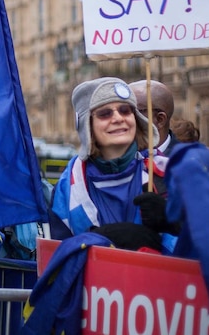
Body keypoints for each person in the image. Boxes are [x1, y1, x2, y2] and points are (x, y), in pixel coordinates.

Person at [49, 77, 172, 252]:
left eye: (125, 110)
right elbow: (58, 258)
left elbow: (199, 253)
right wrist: (101, 239)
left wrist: (173, 222)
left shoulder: (166, 175)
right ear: (87, 125)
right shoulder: (67, 188)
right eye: (105, 113)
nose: (118, 118)